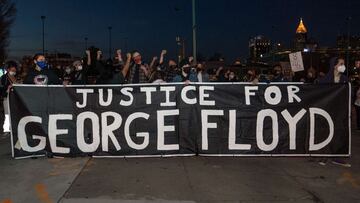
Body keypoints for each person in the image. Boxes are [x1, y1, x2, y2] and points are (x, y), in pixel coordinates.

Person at [319, 57, 351, 167]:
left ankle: (336, 157)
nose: (343, 66)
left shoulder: (345, 80)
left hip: (340, 112)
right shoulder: (325, 80)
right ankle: (324, 155)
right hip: (327, 111)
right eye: (341, 63)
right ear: (334, 65)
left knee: (338, 133)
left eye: (344, 63)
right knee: (326, 133)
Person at [0, 61, 19, 134]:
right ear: (8, 70)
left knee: (14, 114)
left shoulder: (15, 77)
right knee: (7, 114)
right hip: (7, 98)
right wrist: (7, 89)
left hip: (14, 98)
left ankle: (13, 128)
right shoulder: (4, 77)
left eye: (15, 70)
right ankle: (6, 130)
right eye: (12, 70)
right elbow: (1, 88)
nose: (14, 71)